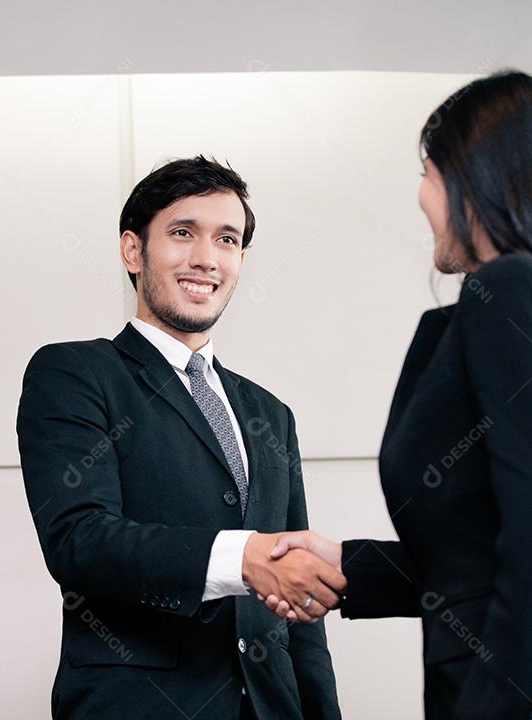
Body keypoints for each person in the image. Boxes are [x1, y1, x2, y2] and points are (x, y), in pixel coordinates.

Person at [264, 72, 532, 719]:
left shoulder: (512, 291)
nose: (420, 196)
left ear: (478, 179)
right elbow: (477, 554)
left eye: (428, 172)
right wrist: (347, 565)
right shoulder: (508, 303)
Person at [17, 156, 345, 719]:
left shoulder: (272, 414)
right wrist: (242, 557)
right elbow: (79, 541)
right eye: (182, 233)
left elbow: (298, 608)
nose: (205, 258)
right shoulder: (75, 374)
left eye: (226, 239)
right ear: (132, 251)